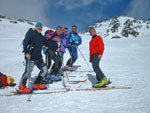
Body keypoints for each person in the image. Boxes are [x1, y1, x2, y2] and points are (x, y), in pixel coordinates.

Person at [18, 22, 48, 93]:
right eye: (38, 26)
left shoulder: (41, 36)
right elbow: (26, 43)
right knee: (28, 72)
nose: (40, 28)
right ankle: (21, 86)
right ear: (36, 27)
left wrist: (56, 46)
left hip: (39, 58)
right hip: (31, 56)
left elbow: (47, 43)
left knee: (44, 70)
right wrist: (27, 52)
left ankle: (37, 84)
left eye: (41, 27)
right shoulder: (31, 32)